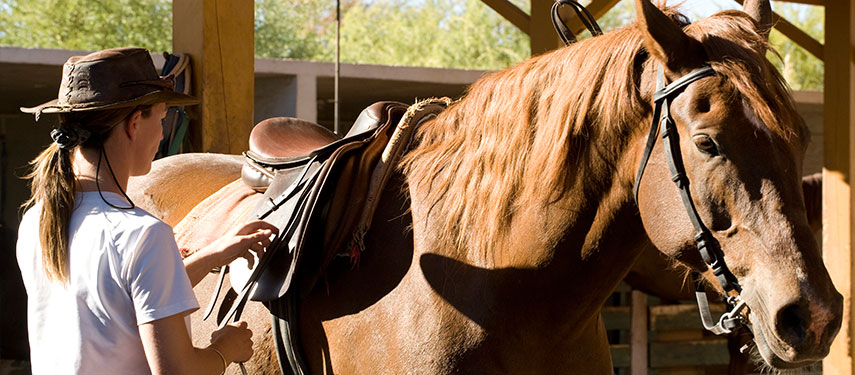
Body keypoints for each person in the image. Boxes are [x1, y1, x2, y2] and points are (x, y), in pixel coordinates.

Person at [16, 47, 278, 375]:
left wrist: (213, 255)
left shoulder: (37, 219)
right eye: (163, 117)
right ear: (135, 122)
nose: (162, 133)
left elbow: (114, 302)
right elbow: (176, 371)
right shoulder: (144, 234)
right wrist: (225, 350)